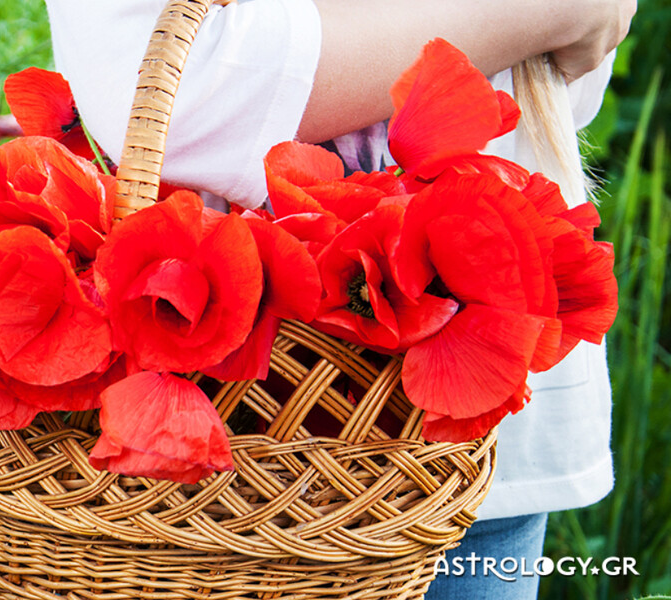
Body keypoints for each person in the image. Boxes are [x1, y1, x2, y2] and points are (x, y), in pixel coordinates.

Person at [43, 1, 635, 597]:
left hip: (467, 452)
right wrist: (548, 11)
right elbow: (180, 88)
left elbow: (564, 78)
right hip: (224, 471)